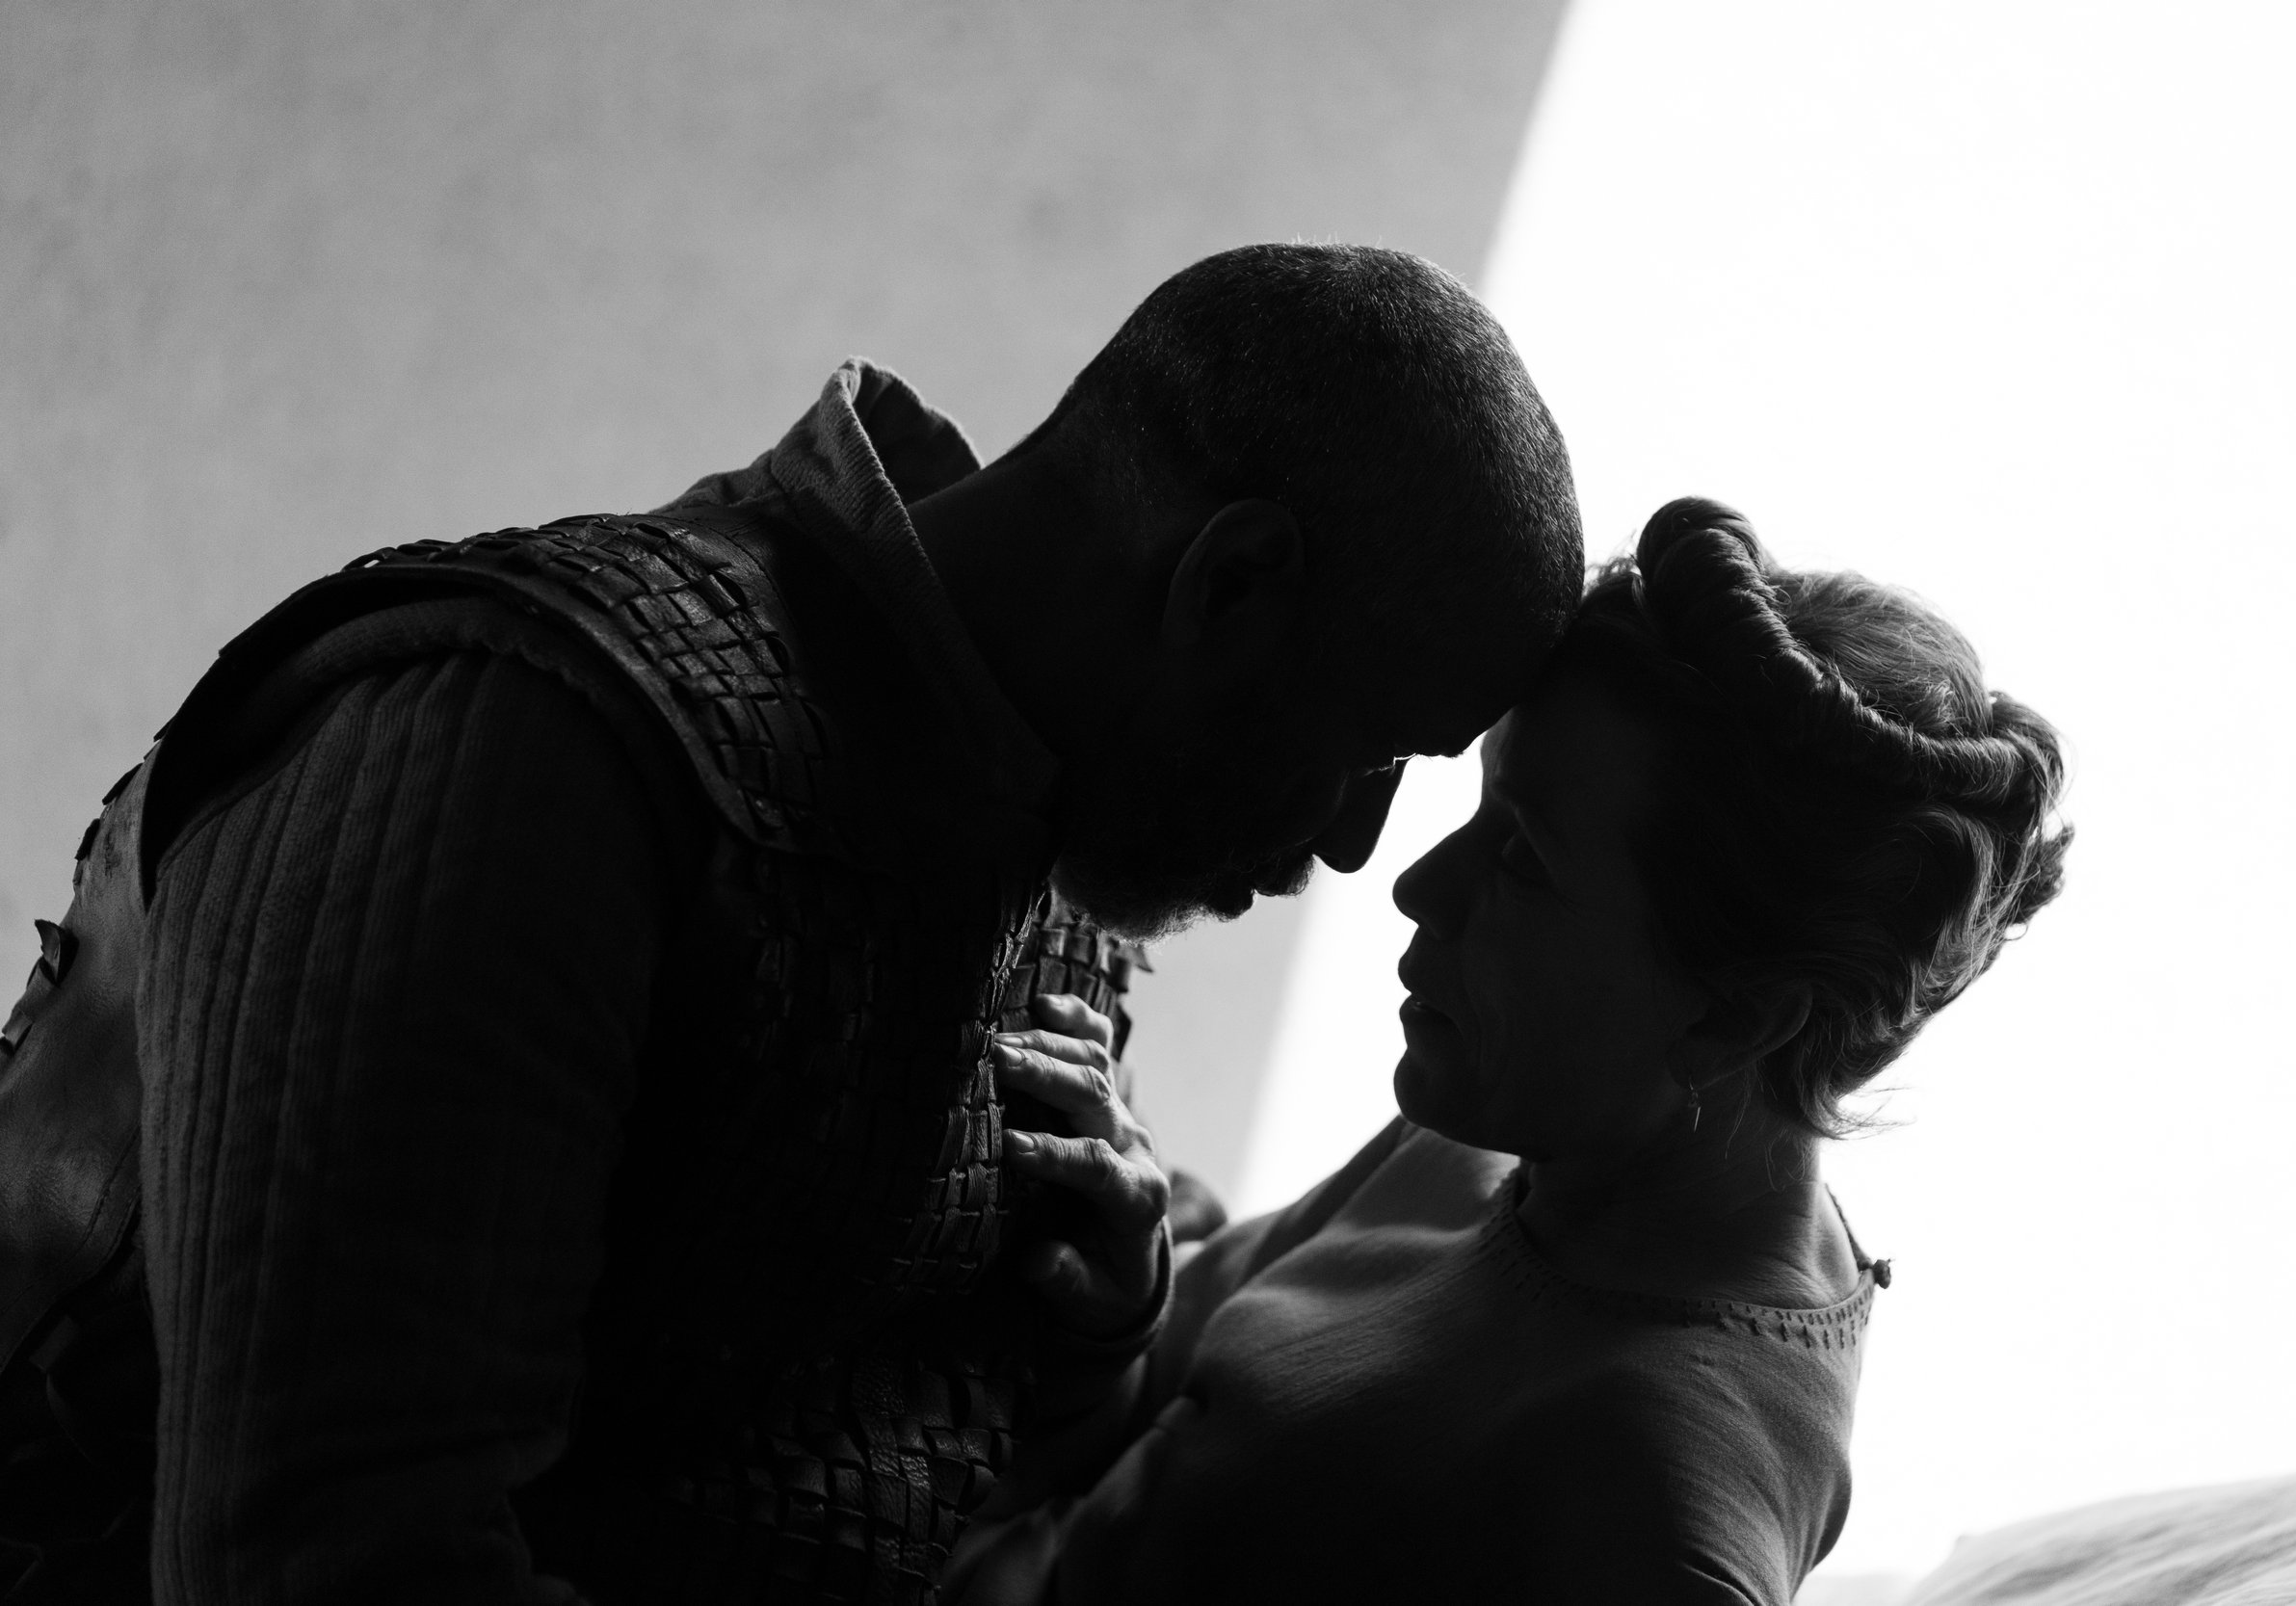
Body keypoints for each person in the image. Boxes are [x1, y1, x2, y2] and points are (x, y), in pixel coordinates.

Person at [0, 244, 1586, 1603]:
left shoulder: (1022, 835)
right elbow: (329, 1562)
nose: (1358, 844)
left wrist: (1102, 1318)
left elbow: (828, 1444)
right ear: (1229, 583)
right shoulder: (525, 754)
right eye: (1374, 752)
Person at [946, 497, 2072, 1605]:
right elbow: (1162, 1447)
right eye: (1484, 804)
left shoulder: (1657, 1517)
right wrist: (1120, 1301)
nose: (1416, 884)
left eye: (1524, 857)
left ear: (1734, 1018)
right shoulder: (1523, 1119)